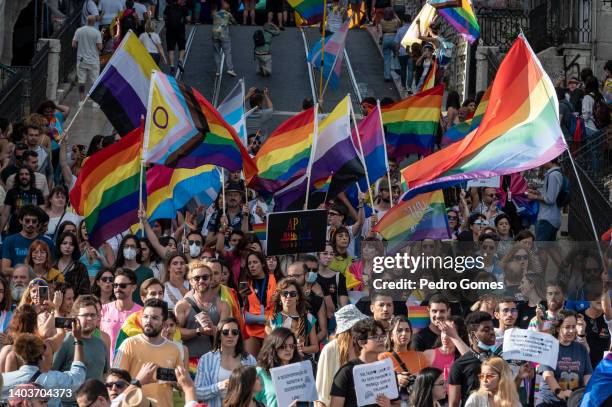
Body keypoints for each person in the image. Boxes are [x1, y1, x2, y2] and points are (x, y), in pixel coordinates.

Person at [113, 298, 183, 407]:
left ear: (163, 323)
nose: (148, 321)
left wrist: (165, 376)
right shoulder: (128, 344)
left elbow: (183, 383)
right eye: (145, 316)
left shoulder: (174, 349)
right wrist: (140, 379)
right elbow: (115, 382)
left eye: (154, 318)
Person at [52, 296, 109, 406]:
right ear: (74, 317)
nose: (89, 318)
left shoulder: (101, 343)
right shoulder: (65, 340)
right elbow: (52, 373)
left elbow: (105, 375)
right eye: (85, 315)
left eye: (93, 315)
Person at [330, 318, 397, 406]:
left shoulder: (387, 369)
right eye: (375, 336)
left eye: (382, 335)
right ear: (361, 343)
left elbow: (397, 403)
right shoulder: (346, 371)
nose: (381, 339)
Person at [1, 331, 86, 400]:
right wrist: (78, 340)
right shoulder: (53, 379)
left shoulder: (4, 380)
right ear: (42, 355)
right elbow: (77, 378)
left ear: (19, 355)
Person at [176, 261, 229, 367]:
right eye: (196, 278)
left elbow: (227, 334)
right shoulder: (183, 305)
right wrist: (198, 331)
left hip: (215, 361)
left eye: (205, 277)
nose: (201, 281)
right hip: (190, 361)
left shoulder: (222, 305)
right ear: (190, 281)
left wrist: (213, 329)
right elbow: (175, 332)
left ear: (211, 279)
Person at [195, 317, 257, 407]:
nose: (230, 335)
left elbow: (257, 389)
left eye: (235, 332)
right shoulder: (206, 359)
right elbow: (197, 392)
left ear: (238, 336)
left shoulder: (249, 359)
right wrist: (219, 386)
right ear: (219, 335)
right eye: (225, 332)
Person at [316, 304, 368, 407]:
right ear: (349, 328)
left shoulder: (363, 347)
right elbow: (321, 392)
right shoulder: (330, 349)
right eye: (359, 324)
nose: (363, 328)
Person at [538, 310, 592, 406]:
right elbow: (548, 375)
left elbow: (587, 375)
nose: (571, 331)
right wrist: (560, 392)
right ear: (558, 328)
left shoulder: (581, 349)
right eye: (567, 327)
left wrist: (589, 393)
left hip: (573, 401)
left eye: (573, 327)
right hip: (549, 402)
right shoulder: (548, 347)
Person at [448, 311, 499, 407]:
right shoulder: (459, 365)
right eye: (486, 330)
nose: (492, 332)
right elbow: (453, 403)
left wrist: (520, 376)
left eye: (492, 329)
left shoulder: (499, 360)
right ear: (473, 336)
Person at [379, 317, 429, 402]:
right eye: (399, 330)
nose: (404, 334)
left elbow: (429, 381)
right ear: (391, 335)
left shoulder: (420, 356)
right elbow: (379, 383)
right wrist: (395, 378)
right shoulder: (383, 357)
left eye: (407, 330)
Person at [238, 251, 277, 356]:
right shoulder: (246, 283)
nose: (252, 266)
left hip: (270, 325)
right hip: (252, 326)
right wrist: (241, 297)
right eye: (249, 263)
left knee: (266, 361)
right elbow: (241, 307)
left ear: (263, 263)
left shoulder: (275, 279)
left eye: (255, 262)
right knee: (249, 362)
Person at [101, 268, 142, 361]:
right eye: (115, 285)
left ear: (134, 287)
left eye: (123, 285)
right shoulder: (103, 310)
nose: (118, 289)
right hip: (107, 367)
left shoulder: (142, 313)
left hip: (132, 366)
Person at [255, 327, 303, 407]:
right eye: (283, 346)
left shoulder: (299, 370)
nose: (288, 349)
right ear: (273, 347)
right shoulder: (260, 372)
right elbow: (252, 402)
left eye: (291, 346)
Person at [526, 158, 564, 242]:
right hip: (550, 218)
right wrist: (537, 193)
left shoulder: (553, 175)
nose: (542, 163)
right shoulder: (554, 174)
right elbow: (551, 194)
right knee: (549, 250)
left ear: (550, 159)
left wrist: (534, 197)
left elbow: (550, 200)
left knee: (541, 250)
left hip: (547, 219)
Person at [0, 168, 45, 236]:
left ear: (31, 176)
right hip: (14, 231)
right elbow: (5, 215)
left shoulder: (38, 193)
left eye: (26, 174)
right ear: (18, 177)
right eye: (21, 174)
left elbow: (42, 214)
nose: (24, 176)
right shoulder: (11, 192)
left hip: (33, 231)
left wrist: (40, 231)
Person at [114, 235, 154, 305]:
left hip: (140, 312)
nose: (129, 249)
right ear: (122, 249)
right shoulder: (115, 271)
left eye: (132, 246)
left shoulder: (147, 272)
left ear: (138, 250)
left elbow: (150, 296)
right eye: (126, 246)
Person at [72, 15, 102, 103]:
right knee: (94, 81)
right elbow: (100, 47)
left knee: (81, 81)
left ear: (86, 21)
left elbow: (73, 44)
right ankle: (95, 102)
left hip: (81, 59)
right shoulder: (97, 32)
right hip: (93, 60)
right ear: (94, 22)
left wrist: (82, 46)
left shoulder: (79, 30)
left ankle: (81, 101)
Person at [164, 0, 190, 74]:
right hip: (180, 29)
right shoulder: (184, 8)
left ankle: (172, 66)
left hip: (170, 30)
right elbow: (188, 19)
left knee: (171, 48)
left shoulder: (168, 7)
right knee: (182, 47)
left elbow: (164, 16)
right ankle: (180, 60)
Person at [212, 0, 237, 77]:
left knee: (216, 53)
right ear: (224, 6)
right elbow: (234, 22)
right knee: (227, 52)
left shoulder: (216, 14)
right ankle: (230, 69)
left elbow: (218, 22)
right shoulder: (228, 14)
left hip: (215, 35)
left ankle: (218, 71)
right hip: (224, 35)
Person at [379, 8, 401, 82]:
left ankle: (387, 76)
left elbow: (381, 33)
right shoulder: (395, 21)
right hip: (394, 38)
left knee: (386, 58)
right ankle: (397, 69)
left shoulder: (382, 21)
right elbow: (399, 22)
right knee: (397, 55)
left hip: (386, 38)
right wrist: (395, 14)